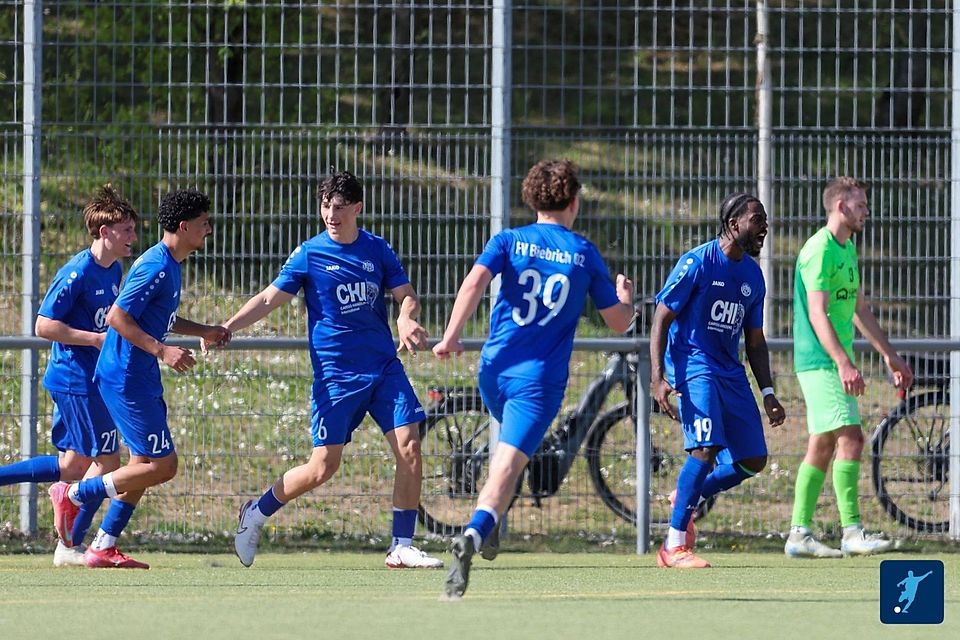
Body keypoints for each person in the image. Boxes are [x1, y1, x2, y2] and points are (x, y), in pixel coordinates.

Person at [433, 159, 635, 599]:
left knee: (506, 449)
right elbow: (619, 323)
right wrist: (627, 299)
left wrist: (451, 336)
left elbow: (473, 284)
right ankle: (474, 531)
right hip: (536, 380)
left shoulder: (509, 240)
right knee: (507, 466)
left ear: (530, 199)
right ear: (575, 201)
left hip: (493, 367)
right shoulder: (581, 252)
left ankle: (493, 518)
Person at [221, 170, 442, 570]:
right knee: (323, 467)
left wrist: (406, 319)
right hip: (335, 377)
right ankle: (256, 511)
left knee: (410, 447)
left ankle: (401, 545)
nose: (331, 214)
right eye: (325, 206)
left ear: (358, 207)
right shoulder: (310, 253)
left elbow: (406, 295)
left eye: (340, 206)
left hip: (383, 369)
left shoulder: (377, 249)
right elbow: (270, 297)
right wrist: (227, 327)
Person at [51, 188, 229, 569]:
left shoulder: (171, 265)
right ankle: (76, 493)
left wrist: (204, 329)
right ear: (184, 226)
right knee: (163, 466)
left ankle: (103, 545)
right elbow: (118, 316)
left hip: (138, 374)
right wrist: (162, 350)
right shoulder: (156, 266)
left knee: (142, 463)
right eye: (203, 224)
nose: (208, 230)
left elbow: (157, 317)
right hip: (127, 375)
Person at [0, 186, 138, 566]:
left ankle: (67, 545)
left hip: (90, 379)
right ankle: (72, 546)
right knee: (109, 464)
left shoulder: (115, 269)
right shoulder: (77, 271)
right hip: (75, 380)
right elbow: (44, 325)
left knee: (74, 467)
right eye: (126, 230)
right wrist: (93, 339)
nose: (132, 237)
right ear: (104, 232)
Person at [651, 192, 786, 569]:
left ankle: (687, 495)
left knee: (753, 459)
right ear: (733, 225)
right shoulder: (697, 263)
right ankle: (673, 546)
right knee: (705, 448)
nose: (765, 228)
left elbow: (755, 341)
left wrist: (769, 392)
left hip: (729, 369)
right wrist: (658, 378)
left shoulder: (752, 277)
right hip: (693, 365)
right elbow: (661, 317)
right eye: (757, 219)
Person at [785, 177, 913, 558]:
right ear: (840, 207)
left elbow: (859, 310)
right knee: (852, 439)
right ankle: (852, 532)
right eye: (860, 205)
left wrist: (889, 354)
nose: (866, 212)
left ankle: (799, 534)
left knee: (823, 444)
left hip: (831, 361)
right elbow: (816, 312)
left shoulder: (847, 249)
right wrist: (842, 362)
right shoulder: (818, 250)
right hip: (821, 361)